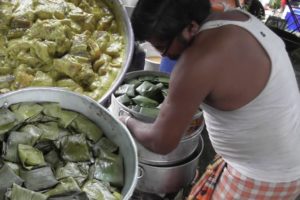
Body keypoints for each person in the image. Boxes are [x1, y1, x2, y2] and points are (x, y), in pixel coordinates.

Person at [119, 0, 300, 199]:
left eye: (162, 47)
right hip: (279, 154)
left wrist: (125, 120)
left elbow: (161, 142)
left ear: (191, 28)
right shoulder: (236, 17)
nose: (165, 55)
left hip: (265, 176)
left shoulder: (196, 64)